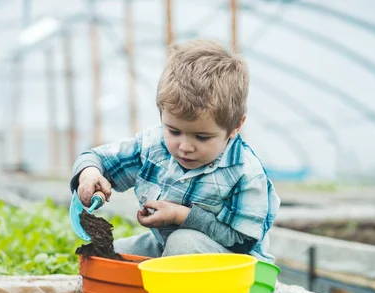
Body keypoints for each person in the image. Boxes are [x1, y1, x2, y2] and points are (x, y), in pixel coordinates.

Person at [70, 39, 280, 262]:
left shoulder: (244, 173)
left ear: (235, 126)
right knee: (109, 255)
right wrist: (90, 173)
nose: (185, 147)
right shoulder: (154, 147)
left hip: (234, 269)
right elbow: (98, 158)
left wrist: (181, 216)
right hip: (170, 252)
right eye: (174, 131)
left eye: (202, 137)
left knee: (183, 243)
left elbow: (242, 240)